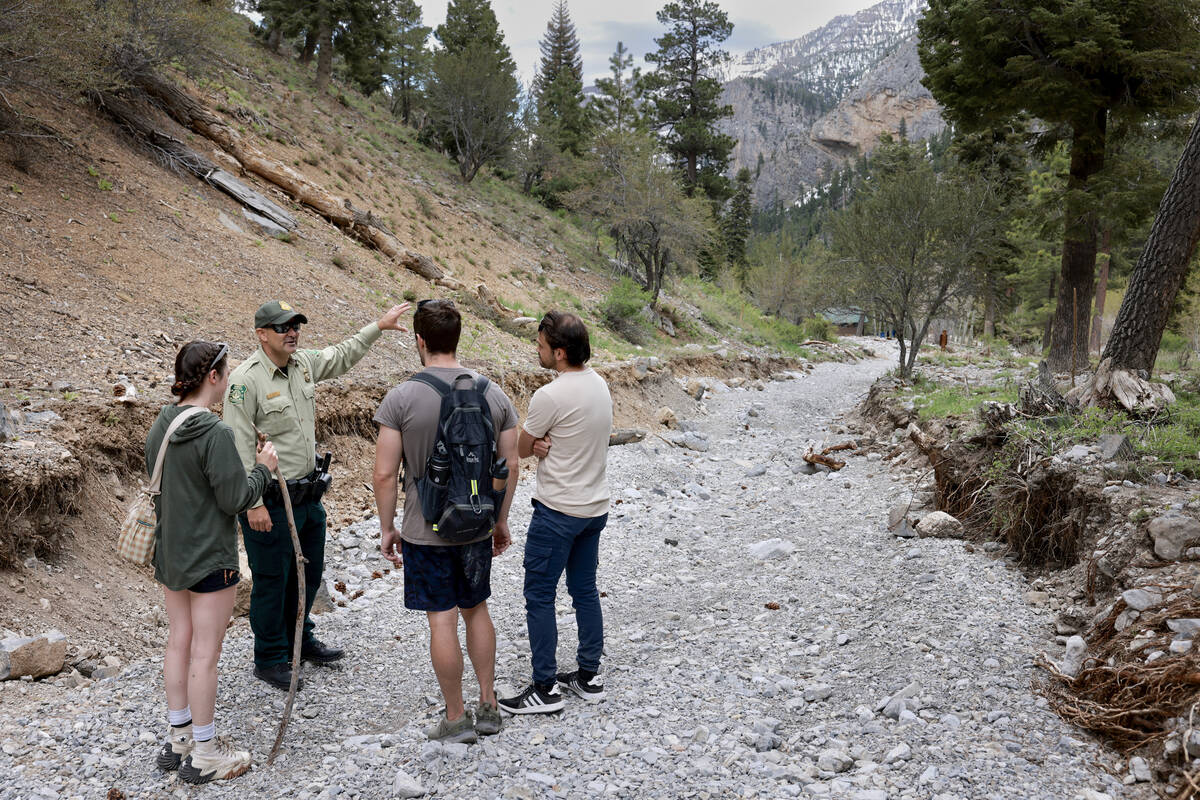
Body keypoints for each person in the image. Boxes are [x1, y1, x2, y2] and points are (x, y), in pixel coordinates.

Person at [224, 299, 410, 690]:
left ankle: (300, 640)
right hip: (271, 500)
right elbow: (239, 447)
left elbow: (341, 356)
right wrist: (252, 503)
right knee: (273, 578)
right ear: (262, 334)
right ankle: (270, 657)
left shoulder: (303, 363)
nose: (292, 332)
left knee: (309, 571)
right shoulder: (245, 381)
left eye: (295, 325)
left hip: (308, 496)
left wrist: (377, 326)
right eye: (282, 327)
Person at [372, 299, 519, 743]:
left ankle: (456, 719)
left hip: (425, 528)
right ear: (457, 338)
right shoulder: (494, 394)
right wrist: (500, 520)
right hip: (476, 524)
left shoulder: (401, 398)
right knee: (476, 610)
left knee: (442, 619)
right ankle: (489, 705)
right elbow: (509, 466)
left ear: (419, 340)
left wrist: (387, 527)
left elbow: (383, 472)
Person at [146, 340, 278, 784]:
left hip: (171, 553)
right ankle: (205, 751)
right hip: (210, 559)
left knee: (178, 641)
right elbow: (236, 498)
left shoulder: (163, 422)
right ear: (214, 377)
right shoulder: (215, 433)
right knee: (206, 653)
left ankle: (179, 735)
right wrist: (262, 467)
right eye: (226, 373)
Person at [499, 312, 612, 715]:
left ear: (560, 353)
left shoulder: (550, 395)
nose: (538, 350)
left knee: (539, 595)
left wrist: (540, 445)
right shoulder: (600, 384)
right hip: (594, 508)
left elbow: (520, 449)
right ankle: (588, 675)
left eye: (542, 346)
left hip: (558, 511)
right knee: (584, 591)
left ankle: (544, 688)